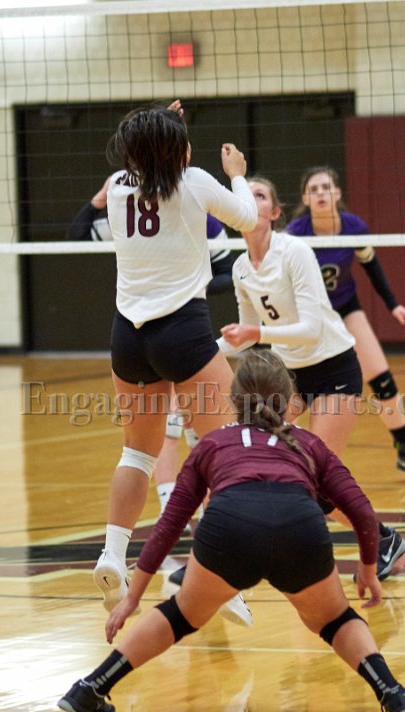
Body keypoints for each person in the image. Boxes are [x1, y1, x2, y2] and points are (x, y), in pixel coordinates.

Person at [58, 349, 405, 712]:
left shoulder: (213, 443)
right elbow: (361, 513)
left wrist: (132, 598)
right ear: (290, 400)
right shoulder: (309, 444)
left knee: (180, 614)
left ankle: (90, 688)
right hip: (298, 529)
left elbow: (169, 525)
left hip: (229, 530)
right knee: (336, 620)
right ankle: (394, 694)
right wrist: (368, 570)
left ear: (233, 400)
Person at [91, 100, 257, 616]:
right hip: (180, 331)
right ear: (176, 150)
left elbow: (148, 159)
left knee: (136, 455)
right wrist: (238, 174)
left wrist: (161, 127)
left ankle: (112, 555)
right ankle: (222, 575)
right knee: (227, 450)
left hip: (128, 337)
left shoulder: (118, 187)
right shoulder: (196, 183)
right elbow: (249, 217)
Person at [217, 176, 405, 580]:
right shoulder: (240, 268)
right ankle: (261, 543)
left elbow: (310, 330)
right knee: (261, 456)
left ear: (274, 212)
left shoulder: (295, 251)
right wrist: (199, 355)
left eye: (259, 195)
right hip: (289, 375)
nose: (249, 202)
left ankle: (382, 538)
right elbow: (245, 335)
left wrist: (256, 333)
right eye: (243, 197)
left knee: (315, 477)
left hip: (333, 366)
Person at [286, 166, 405, 479]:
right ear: (305, 198)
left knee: (381, 378)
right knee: (293, 389)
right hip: (309, 314)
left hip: (345, 306)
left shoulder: (354, 227)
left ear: (337, 193)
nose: (320, 193)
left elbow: (372, 266)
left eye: (326, 187)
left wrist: (394, 305)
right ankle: (282, 455)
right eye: (313, 189)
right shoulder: (295, 233)